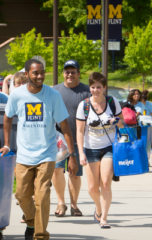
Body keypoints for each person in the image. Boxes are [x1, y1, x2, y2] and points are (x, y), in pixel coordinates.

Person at [0, 59, 78, 240]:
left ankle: (40, 235)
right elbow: (7, 117)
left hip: (47, 153)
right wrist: (8, 143)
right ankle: (32, 222)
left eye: (42, 73)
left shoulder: (53, 95)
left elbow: (65, 127)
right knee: (21, 195)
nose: (40, 76)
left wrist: (71, 155)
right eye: (35, 73)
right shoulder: (17, 94)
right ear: (26, 74)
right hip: (24, 154)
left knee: (42, 195)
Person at [76, 72, 124, 229]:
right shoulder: (84, 105)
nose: (95, 90)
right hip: (90, 149)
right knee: (91, 188)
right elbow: (80, 131)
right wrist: (81, 152)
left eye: (98, 87)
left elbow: (122, 123)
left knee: (105, 183)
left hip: (109, 147)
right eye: (92, 87)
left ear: (104, 87)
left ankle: (104, 217)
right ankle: (98, 207)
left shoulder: (112, 102)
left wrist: (117, 121)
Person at [51, 60, 91, 217]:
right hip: (58, 140)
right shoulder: (55, 91)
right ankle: (61, 202)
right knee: (56, 170)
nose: (70, 74)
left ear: (79, 73)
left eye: (73, 71)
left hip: (79, 140)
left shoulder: (87, 91)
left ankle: (74, 205)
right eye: (67, 71)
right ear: (63, 73)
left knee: (74, 173)